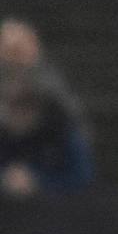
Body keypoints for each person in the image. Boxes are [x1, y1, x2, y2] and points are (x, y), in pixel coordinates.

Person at [0, 66, 92, 197]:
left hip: (55, 209)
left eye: (25, 104)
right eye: (11, 104)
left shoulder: (62, 131)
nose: (19, 112)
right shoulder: (3, 132)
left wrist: (38, 182)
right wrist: (6, 179)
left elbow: (82, 179)